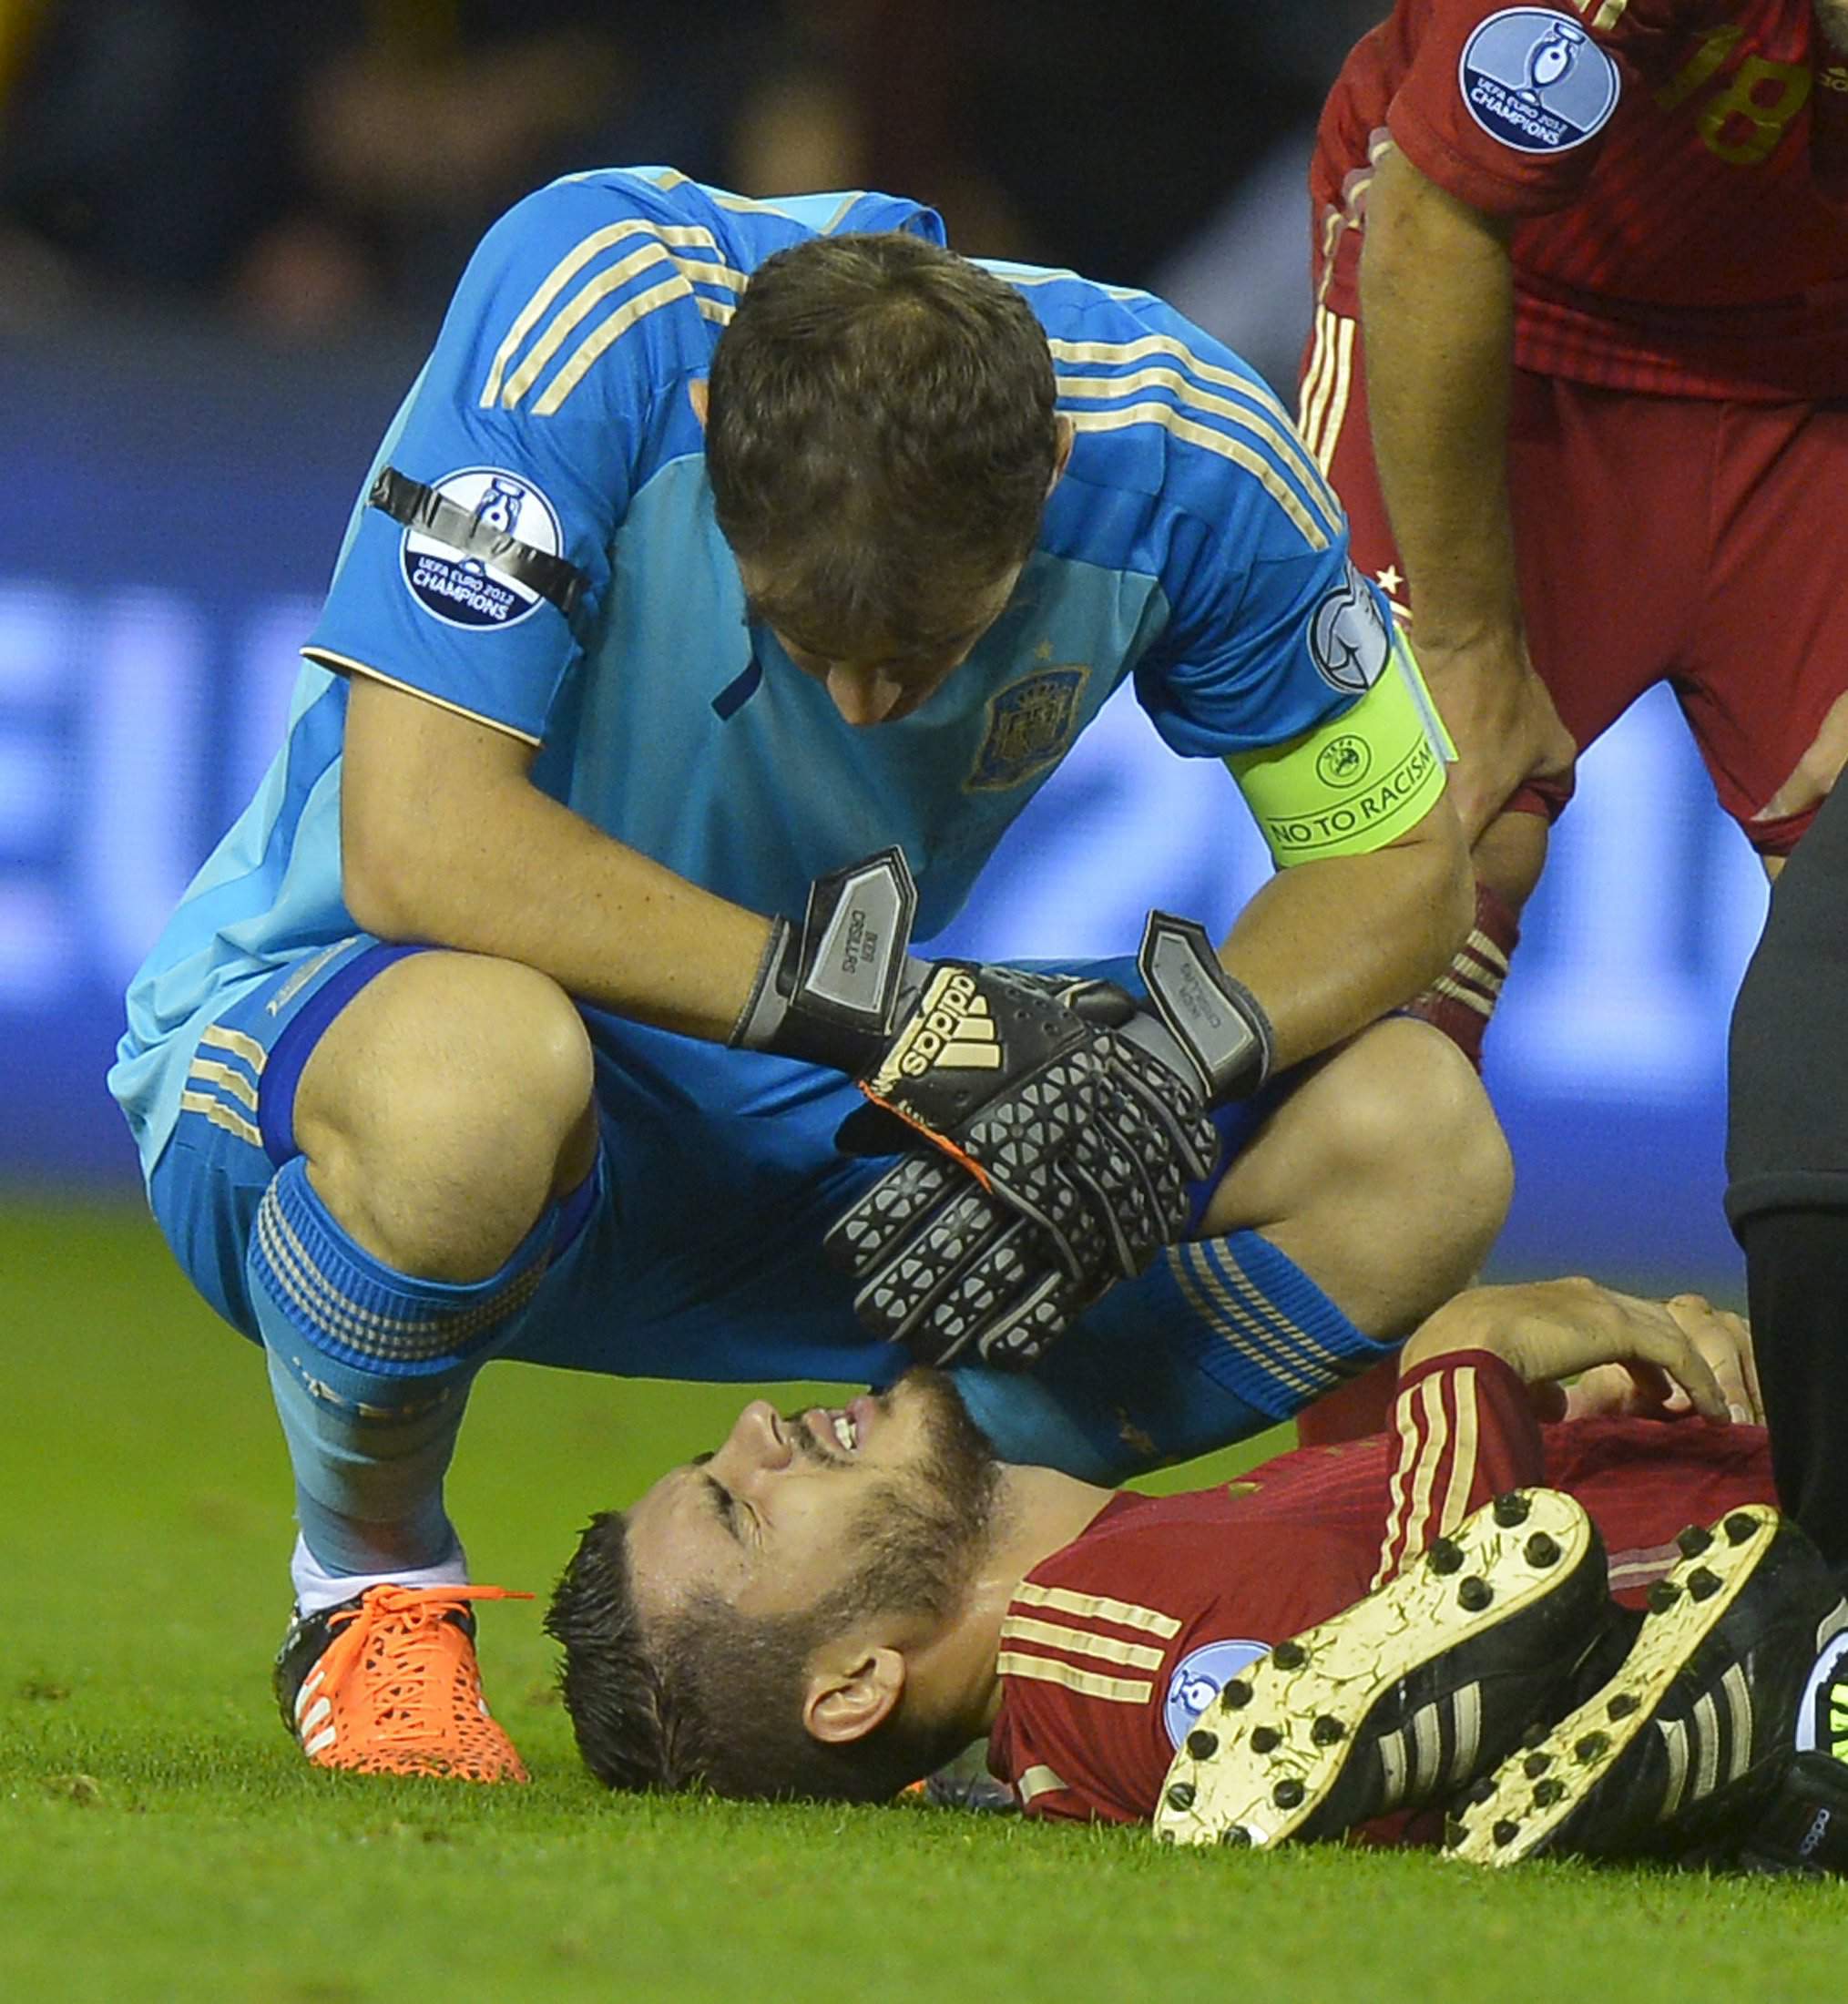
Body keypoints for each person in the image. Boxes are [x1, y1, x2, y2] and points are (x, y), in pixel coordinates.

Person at [108, 166, 1485, 1782]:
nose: (858, 697)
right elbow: (419, 847)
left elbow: (1401, 870)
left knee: (1414, 1136)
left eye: (920, 648)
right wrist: (905, 1021)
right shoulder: (598, 306)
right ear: (710, 426)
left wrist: (1158, 1070)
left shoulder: (1180, 443)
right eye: (804, 636)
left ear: (1046, 470)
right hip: (351, 1061)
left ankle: (964, 1632)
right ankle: (371, 1588)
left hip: (807, 1103)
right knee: (488, 1064)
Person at [548, 1275, 1848, 1872]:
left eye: (716, 1454)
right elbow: (1447, 1710)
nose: (760, 1431)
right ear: (854, 1688)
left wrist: (1596, 1417)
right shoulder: (1087, 1646)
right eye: (739, 1508)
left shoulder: (1131, 1571)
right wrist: (1472, 1354)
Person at [1301, 0, 1848, 1065]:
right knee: (1442, 848)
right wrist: (1465, 648)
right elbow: (1434, 220)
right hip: (1500, 310)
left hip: (1816, 374)